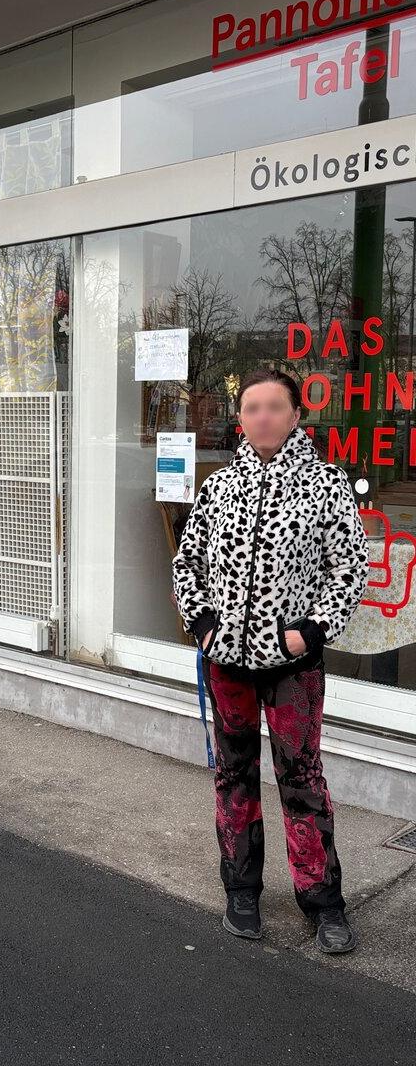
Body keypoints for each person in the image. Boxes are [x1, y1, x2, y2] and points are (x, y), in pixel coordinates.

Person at [172, 369, 369, 954]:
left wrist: (309, 632)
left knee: (301, 779)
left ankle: (322, 899)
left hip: (292, 669)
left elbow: (349, 570)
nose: (260, 417)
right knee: (233, 774)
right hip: (227, 661)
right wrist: (205, 623)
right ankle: (242, 889)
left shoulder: (326, 485)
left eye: (272, 407)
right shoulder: (218, 487)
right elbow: (188, 565)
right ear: (242, 417)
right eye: (251, 407)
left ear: (294, 416)